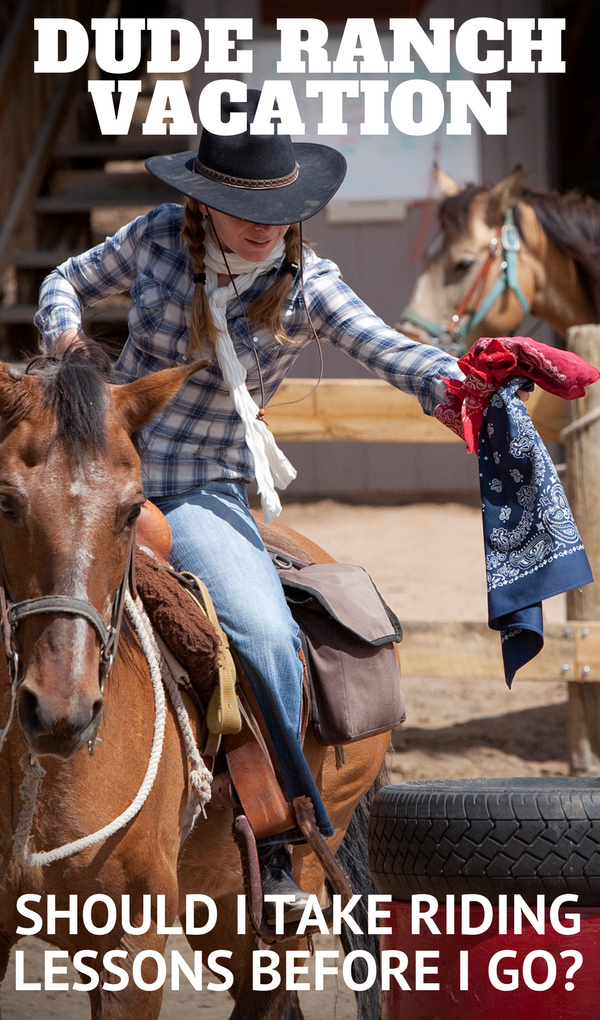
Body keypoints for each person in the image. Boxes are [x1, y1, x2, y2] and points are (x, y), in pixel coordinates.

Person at [35, 88, 466, 921]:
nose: (260, 225)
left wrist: (461, 385)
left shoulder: (311, 285)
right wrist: (66, 341)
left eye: (275, 209)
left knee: (266, 634)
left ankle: (282, 834)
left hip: (199, 490)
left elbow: (387, 348)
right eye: (239, 208)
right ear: (203, 200)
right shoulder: (157, 239)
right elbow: (64, 279)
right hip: (104, 468)